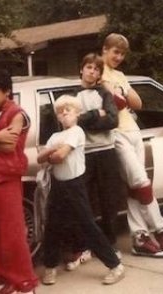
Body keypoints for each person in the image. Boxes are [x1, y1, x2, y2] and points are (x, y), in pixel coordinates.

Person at [100, 33, 163, 258]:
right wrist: (121, 95)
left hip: (134, 132)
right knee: (141, 183)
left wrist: (120, 93)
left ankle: (139, 238)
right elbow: (119, 102)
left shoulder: (120, 75)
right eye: (115, 51)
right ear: (105, 49)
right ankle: (160, 229)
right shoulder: (98, 70)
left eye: (122, 54)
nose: (118, 57)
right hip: (116, 133)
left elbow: (137, 103)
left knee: (135, 189)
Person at [38, 95, 125, 286]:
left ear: (77, 113)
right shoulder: (55, 136)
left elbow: (59, 156)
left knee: (88, 226)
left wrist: (52, 152)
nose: (64, 114)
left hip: (75, 184)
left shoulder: (77, 132)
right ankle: (50, 267)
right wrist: (52, 151)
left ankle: (115, 265)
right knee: (52, 227)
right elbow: (40, 158)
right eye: (60, 112)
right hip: (58, 185)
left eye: (68, 110)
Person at [0, 68, 38, 294]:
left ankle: (25, 283)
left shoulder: (17, 113)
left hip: (7, 178)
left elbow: (10, 145)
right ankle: (5, 280)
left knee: (11, 233)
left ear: (7, 91)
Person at [67, 53, 122, 268]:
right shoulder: (72, 95)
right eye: (89, 67)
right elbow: (70, 123)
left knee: (109, 200)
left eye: (97, 69)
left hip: (106, 151)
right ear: (81, 69)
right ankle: (85, 246)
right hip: (84, 153)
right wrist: (93, 115)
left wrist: (83, 120)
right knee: (85, 202)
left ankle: (110, 244)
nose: (93, 72)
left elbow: (112, 120)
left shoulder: (104, 93)